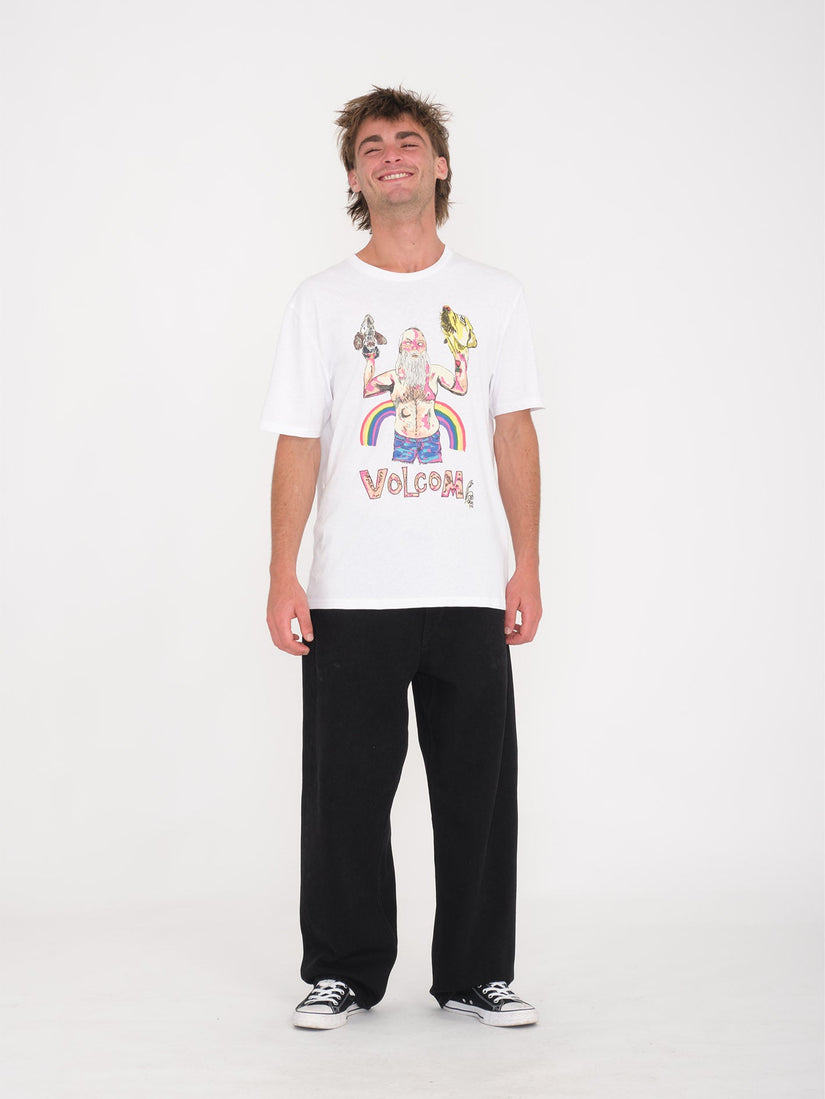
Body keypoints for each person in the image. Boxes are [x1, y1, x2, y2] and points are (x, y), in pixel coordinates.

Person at [260, 86, 544, 1030]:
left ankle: (475, 972)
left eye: (408, 140)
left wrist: (526, 564)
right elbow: (299, 438)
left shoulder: (494, 296)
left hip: (467, 584)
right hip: (352, 589)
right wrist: (283, 572)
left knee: (478, 795)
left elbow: (511, 432)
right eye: (372, 145)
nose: (391, 155)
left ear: (439, 164)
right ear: (353, 176)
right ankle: (342, 970)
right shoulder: (322, 300)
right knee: (344, 797)